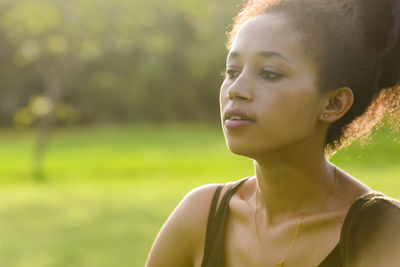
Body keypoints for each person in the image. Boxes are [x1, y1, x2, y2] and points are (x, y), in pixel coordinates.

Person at [145, 0, 400, 266]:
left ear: (333, 103)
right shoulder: (201, 215)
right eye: (232, 71)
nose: (235, 89)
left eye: (269, 74)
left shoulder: (384, 233)